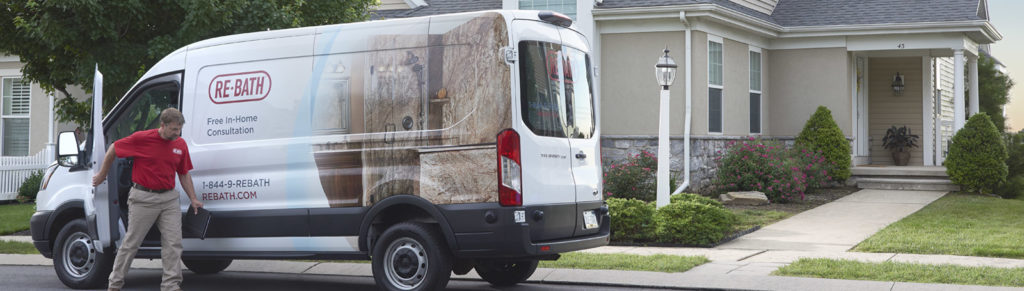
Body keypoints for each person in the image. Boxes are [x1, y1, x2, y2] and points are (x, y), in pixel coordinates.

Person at [92, 108, 203, 291]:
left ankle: (171, 286)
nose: (178, 133)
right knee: (131, 243)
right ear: (163, 125)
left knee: (173, 244)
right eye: (174, 129)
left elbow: (183, 173)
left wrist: (193, 198)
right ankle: (115, 284)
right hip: (143, 198)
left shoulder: (180, 145)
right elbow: (113, 149)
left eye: (179, 129)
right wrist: (102, 174)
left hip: (168, 199)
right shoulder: (142, 139)